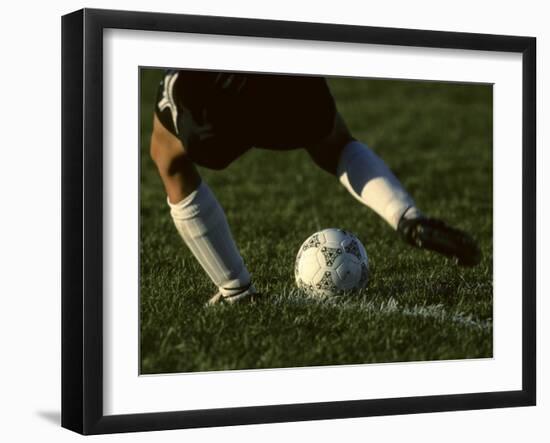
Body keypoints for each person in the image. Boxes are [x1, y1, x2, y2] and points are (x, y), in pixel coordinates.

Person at [149, 69, 480, 305]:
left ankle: (236, 291)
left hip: (219, 82)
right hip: (285, 68)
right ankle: (407, 217)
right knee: (335, 143)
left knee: (167, 153)